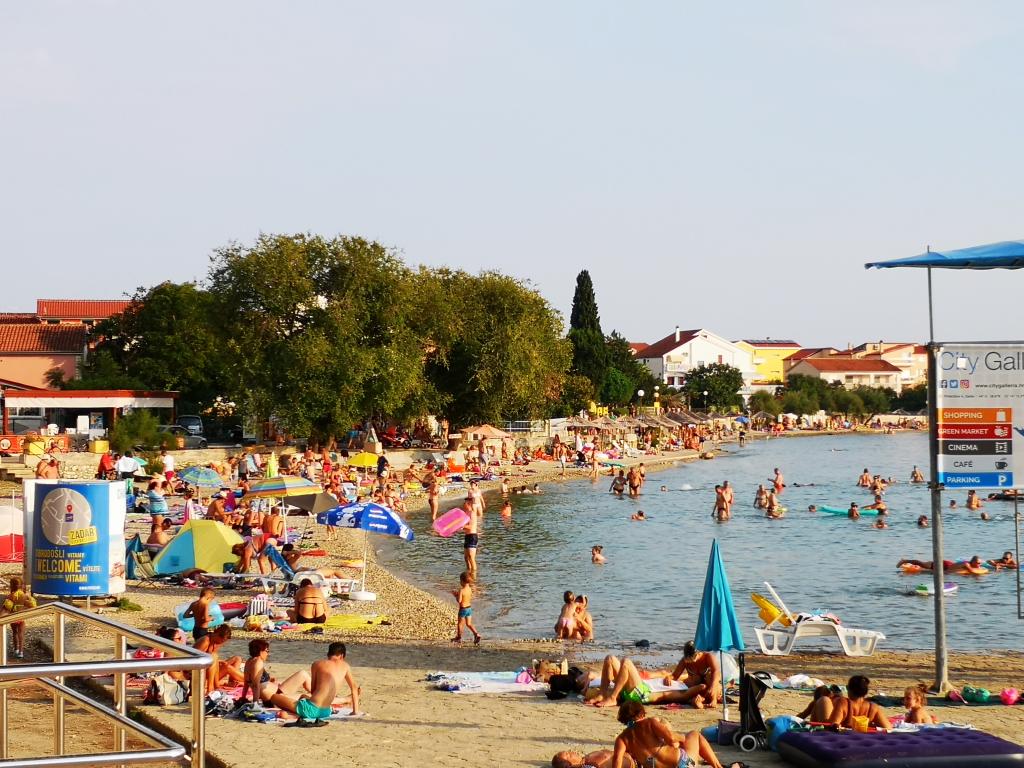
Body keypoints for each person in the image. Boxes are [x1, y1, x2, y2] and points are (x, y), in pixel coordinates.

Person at [609, 701, 738, 768]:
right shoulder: (650, 722)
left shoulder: (622, 738)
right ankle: (717, 766)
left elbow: (617, 761)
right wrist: (682, 738)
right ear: (641, 713)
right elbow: (671, 738)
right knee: (694, 735)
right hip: (682, 764)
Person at [586, 656, 691, 708]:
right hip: (629, 688)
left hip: (641, 693)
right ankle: (602, 694)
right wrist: (671, 676)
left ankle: (613, 698)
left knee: (626, 662)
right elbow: (675, 675)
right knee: (610, 658)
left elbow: (691, 693)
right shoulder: (677, 678)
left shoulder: (683, 689)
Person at [295, 642, 360, 722]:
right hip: (326, 711)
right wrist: (355, 711)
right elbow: (354, 688)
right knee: (303, 697)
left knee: (279, 698)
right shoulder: (345, 666)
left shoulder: (317, 664)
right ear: (342, 656)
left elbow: (313, 691)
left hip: (312, 708)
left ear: (328, 654)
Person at [241, 638, 311, 711]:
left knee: (303, 674)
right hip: (275, 699)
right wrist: (256, 704)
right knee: (309, 696)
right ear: (261, 651)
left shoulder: (249, 661)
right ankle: (316, 696)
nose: (268, 654)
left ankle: (315, 693)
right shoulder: (258, 662)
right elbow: (256, 685)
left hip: (277, 693)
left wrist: (243, 697)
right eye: (267, 651)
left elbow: (246, 682)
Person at [661, 641, 721, 709]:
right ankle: (698, 700)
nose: (692, 661)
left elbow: (716, 671)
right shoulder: (684, 660)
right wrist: (669, 677)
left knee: (710, 676)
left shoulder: (708, 656)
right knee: (694, 679)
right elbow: (675, 675)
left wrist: (713, 686)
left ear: (698, 653)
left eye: (692, 658)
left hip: (710, 686)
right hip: (696, 686)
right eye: (688, 659)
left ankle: (713, 700)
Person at [195, 625, 244, 694]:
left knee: (237, 659)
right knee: (225, 665)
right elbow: (195, 661)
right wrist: (217, 661)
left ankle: (232, 682)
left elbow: (214, 662)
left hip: (210, 671)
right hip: (200, 673)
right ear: (217, 634)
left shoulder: (216, 642)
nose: (221, 643)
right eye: (222, 640)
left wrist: (219, 662)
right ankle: (250, 680)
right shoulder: (205, 641)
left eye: (224, 641)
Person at [1, 577, 37, 658]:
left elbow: (6, 607)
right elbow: (33, 605)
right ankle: (21, 651)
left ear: (12, 586)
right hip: (21, 617)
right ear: (21, 585)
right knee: (21, 634)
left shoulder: (10, 596)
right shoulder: (25, 596)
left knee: (15, 633)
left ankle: (16, 649)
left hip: (13, 617)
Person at [452, 571, 482, 645]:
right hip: (469, 608)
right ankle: (476, 634)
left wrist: (456, 595)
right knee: (469, 624)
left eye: (460, 581)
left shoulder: (461, 590)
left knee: (460, 624)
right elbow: (467, 597)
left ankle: (458, 637)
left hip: (463, 609)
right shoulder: (469, 589)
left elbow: (459, 601)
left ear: (462, 581)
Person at [551, 749, 635, 768]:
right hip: (636, 764)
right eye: (569, 755)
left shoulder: (586, 759)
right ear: (568, 765)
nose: (571, 751)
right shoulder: (587, 766)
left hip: (633, 754)